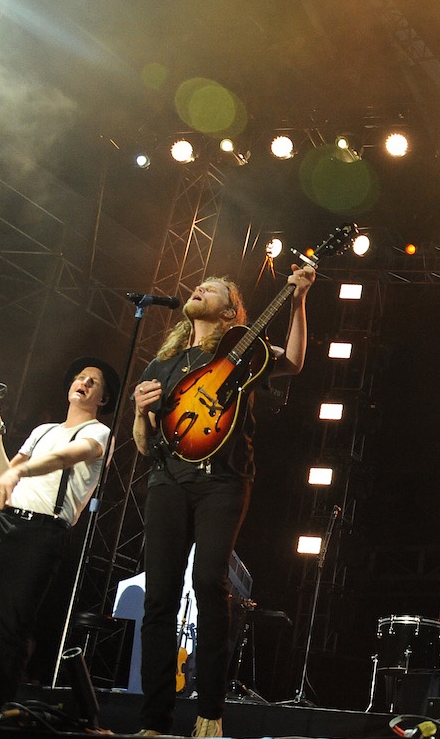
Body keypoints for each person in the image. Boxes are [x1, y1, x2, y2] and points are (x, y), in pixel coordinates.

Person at [131, 270, 313, 738]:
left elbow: (292, 361)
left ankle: (210, 712)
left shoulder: (244, 352)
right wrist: (137, 411)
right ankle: (153, 722)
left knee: (209, 582)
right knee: (159, 598)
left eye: (212, 289)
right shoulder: (163, 364)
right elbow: (143, 444)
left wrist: (299, 299)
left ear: (232, 311)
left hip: (224, 481)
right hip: (168, 480)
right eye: (200, 286)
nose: (199, 289)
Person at [0, 356, 119, 724]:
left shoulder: (98, 433)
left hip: (39, 536)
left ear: (102, 399)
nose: (84, 382)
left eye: (93, 382)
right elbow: (4, 478)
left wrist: (22, 469)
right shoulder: (43, 429)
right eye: (80, 377)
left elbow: (66, 457)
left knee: (12, 630)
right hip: (0, 521)